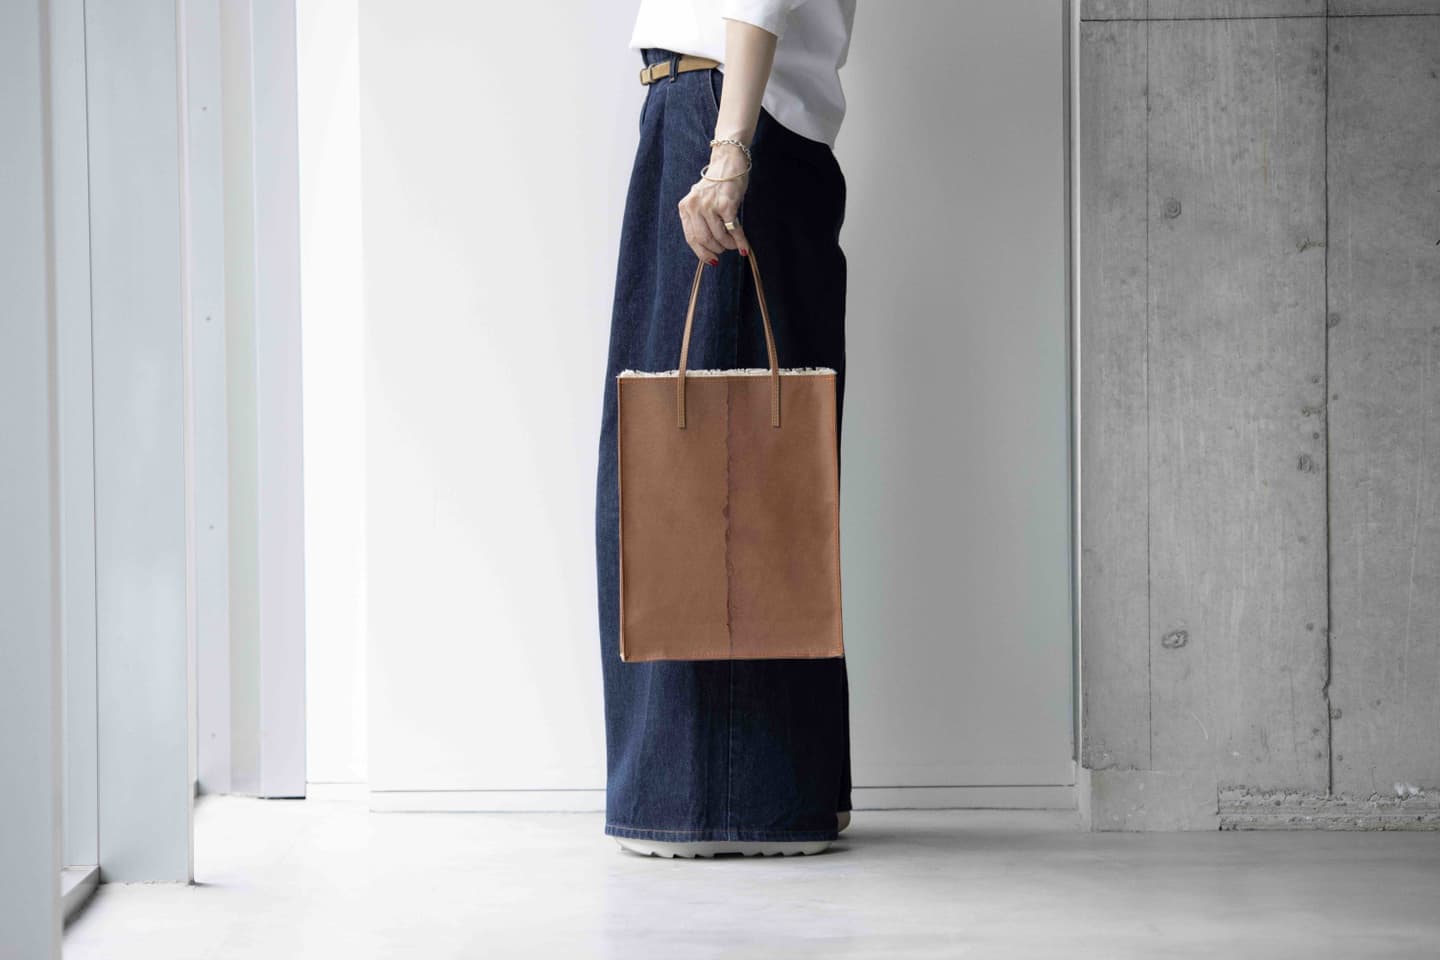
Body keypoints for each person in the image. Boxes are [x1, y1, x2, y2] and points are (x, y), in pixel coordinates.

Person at [594, 0, 858, 858]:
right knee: (750, 457)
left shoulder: (728, 131)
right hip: (735, 113)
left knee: (702, 467)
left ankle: (718, 803)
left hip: (726, 113)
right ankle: (782, 788)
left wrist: (729, 149)